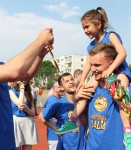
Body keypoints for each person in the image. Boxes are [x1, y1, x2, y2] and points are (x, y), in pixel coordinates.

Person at [55, 7, 131, 146]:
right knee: (83, 93)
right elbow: (88, 64)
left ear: (98, 24)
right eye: (83, 28)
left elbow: (122, 53)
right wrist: (82, 81)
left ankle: (127, 131)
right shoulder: (91, 46)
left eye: (87, 27)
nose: (85, 31)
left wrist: (111, 70)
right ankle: (72, 120)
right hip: (103, 74)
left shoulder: (111, 35)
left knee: (120, 95)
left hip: (120, 70)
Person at [0, 17, 53, 150]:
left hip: (7, 143)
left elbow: (25, 75)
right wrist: (40, 41)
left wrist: (40, 56)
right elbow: (13, 72)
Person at [59, 43, 129, 149]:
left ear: (111, 63)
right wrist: (75, 101)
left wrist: (120, 99)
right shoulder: (91, 90)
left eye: (97, 65)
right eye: (91, 65)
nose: (92, 69)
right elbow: (84, 122)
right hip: (91, 147)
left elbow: (128, 115)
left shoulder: (122, 86)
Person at [39, 72, 94, 150]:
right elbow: (41, 117)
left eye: (71, 79)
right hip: (66, 146)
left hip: (83, 146)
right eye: (66, 81)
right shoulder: (58, 103)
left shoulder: (84, 101)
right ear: (62, 87)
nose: (71, 82)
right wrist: (55, 129)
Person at [9, 81, 39, 150]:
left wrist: (26, 109)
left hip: (28, 122)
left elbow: (33, 113)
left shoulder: (30, 92)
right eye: (22, 79)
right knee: (16, 147)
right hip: (16, 121)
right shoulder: (11, 92)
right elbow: (20, 103)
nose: (24, 80)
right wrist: (22, 88)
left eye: (26, 79)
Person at [40, 81, 64, 150]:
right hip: (54, 136)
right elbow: (43, 117)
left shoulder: (60, 99)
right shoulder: (52, 101)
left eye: (62, 87)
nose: (62, 89)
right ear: (54, 88)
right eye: (59, 87)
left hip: (59, 135)